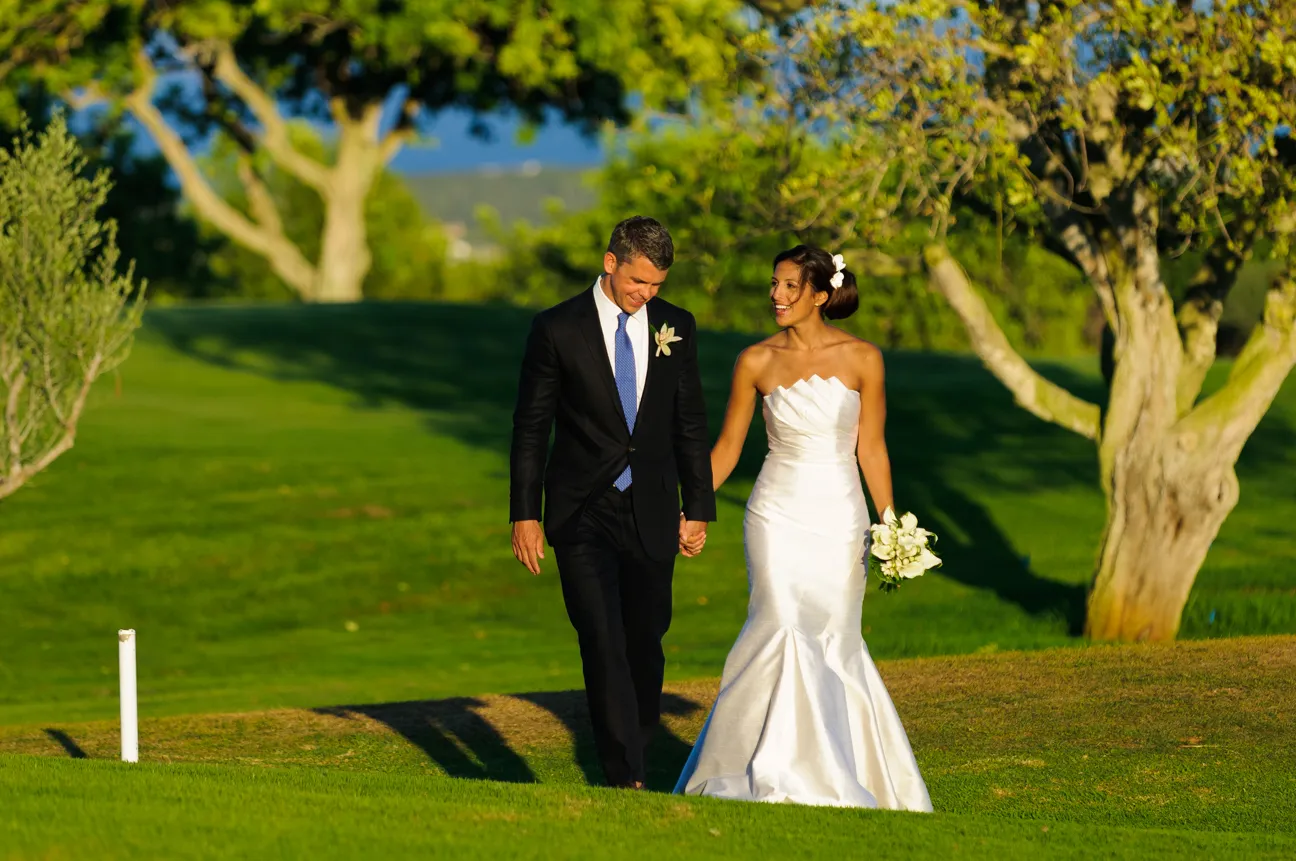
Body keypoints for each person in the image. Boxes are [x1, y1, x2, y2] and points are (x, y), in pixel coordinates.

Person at [673, 244, 932, 810]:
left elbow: (872, 447)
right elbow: (728, 448)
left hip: (841, 516)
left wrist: (892, 526)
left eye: (790, 287)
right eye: (773, 285)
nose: (776, 296)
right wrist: (692, 507)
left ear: (820, 294)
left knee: (834, 638)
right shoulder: (754, 362)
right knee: (780, 624)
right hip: (775, 514)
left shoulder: (864, 358)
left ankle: (840, 772)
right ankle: (767, 771)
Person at [509, 216, 716, 789]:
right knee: (601, 639)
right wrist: (524, 513)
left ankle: (637, 741)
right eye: (638, 282)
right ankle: (625, 775)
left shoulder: (677, 326)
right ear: (611, 263)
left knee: (645, 642)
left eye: (656, 285)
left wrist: (697, 505)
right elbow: (531, 428)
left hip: (651, 509)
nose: (646, 295)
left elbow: (689, 421)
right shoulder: (556, 329)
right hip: (581, 512)